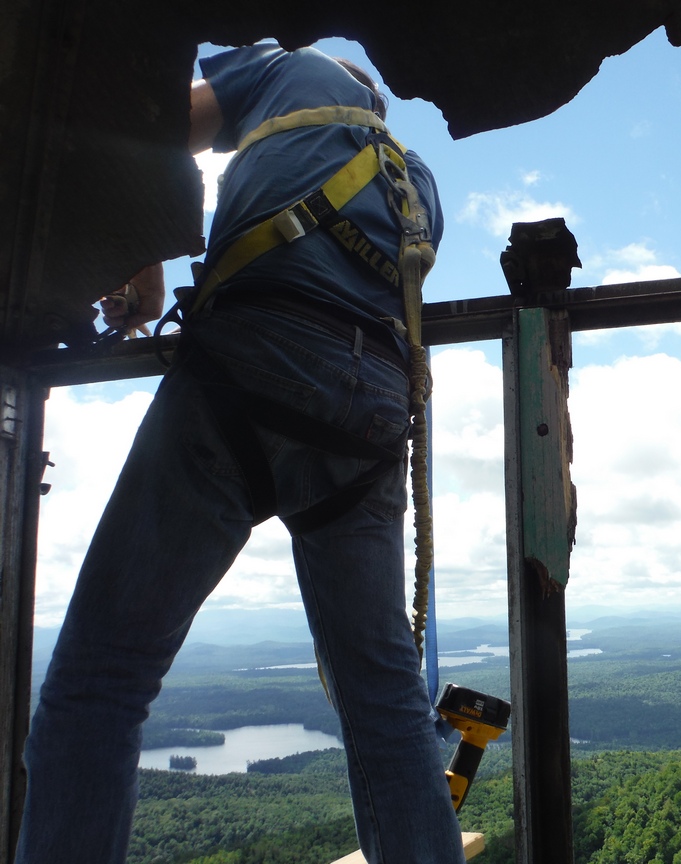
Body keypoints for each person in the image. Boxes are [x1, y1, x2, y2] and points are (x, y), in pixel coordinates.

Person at [16, 43, 465, 864]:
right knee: (385, 707)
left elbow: (152, 131)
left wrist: (140, 258)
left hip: (252, 361)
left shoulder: (287, 69)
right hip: (371, 411)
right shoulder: (419, 182)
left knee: (99, 686)